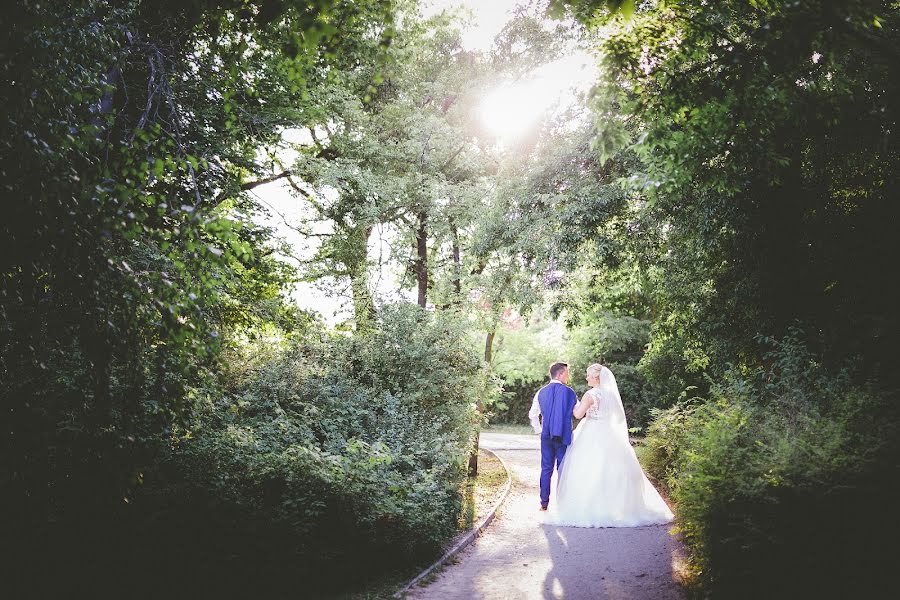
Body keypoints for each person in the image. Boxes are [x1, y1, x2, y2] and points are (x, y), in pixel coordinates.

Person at [544, 363, 674, 527]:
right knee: (612, 470)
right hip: (610, 433)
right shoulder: (611, 395)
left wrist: (570, 404)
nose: (586, 378)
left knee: (588, 469)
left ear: (595, 377)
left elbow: (578, 414)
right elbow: (617, 417)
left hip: (591, 432)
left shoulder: (590, 395)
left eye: (588, 375)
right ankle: (617, 508)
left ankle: (591, 508)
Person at [528, 362, 578, 511]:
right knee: (563, 469)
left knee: (546, 469)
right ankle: (562, 504)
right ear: (560, 374)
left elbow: (533, 414)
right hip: (563, 436)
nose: (568, 376)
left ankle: (544, 504)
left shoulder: (541, 392)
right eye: (567, 373)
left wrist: (539, 431)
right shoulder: (570, 393)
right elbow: (578, 412)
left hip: (546, 435)